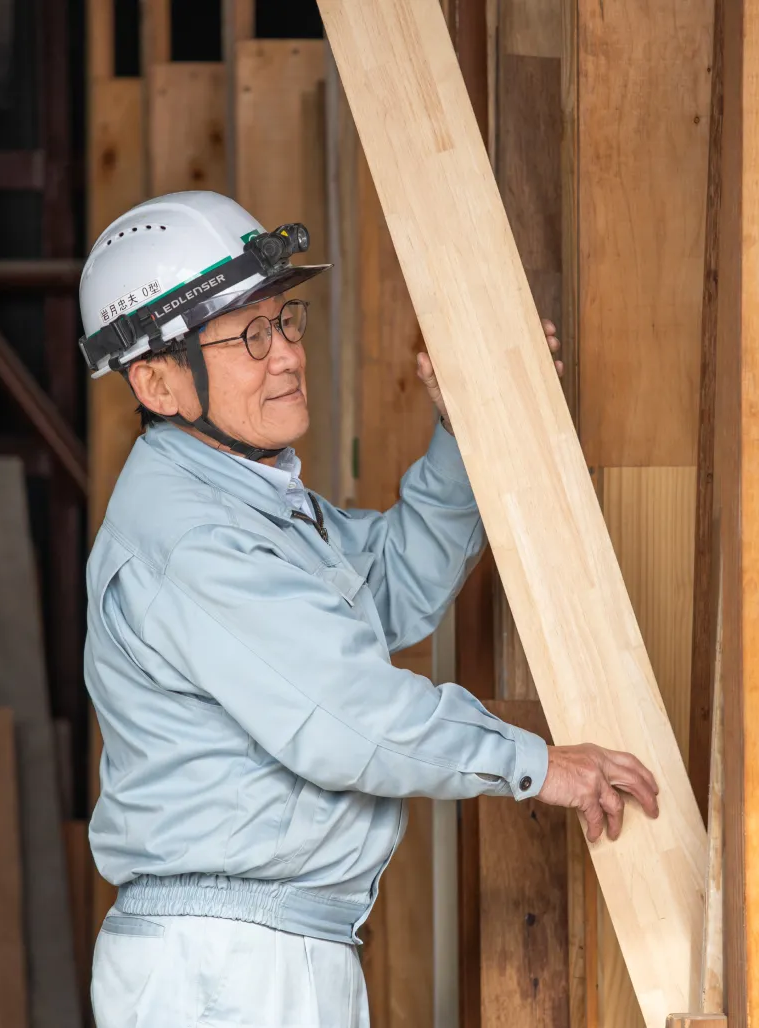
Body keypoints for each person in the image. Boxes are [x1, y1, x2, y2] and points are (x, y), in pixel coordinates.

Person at [80, 191, 659, 1028]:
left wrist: (465, 433)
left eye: (283, 322)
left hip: (264, 950)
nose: (284, 356)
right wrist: (539, 762)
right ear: (158, 381)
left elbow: (390, 588)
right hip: (225, 970)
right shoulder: (195, 538)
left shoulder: (251, 505)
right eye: (247, 336)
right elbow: (347, 717)